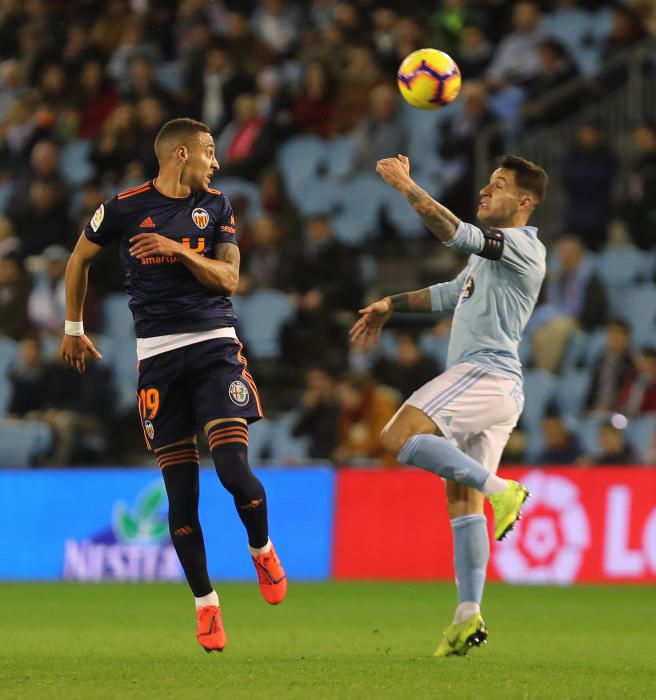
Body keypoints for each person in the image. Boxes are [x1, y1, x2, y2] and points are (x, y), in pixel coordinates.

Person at [60, 118, 287, 653]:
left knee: (233, 472)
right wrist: (73, 327)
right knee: (181, 498)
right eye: (210, 152)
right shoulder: (121, 206)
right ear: (181, 154)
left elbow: (230, 279)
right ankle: (206, 606)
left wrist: (178, 248)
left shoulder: (219, 208)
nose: (218, 162)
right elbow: (78, 260)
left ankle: (261, 548)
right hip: (157, 360)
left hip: (214, 349)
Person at [350, 153, 548, 657]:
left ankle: (503, 489)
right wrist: (391, 305)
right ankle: (467, 615)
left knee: (396, 436)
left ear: (524, 202)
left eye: (499, 185)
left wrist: (407, 187)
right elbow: (448, 293)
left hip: (485, 373)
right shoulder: (489, 258)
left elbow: (455, 233)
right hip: (501, 389)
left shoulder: (524, 245)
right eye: (488, 181)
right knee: (461, 500)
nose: (486, 190)